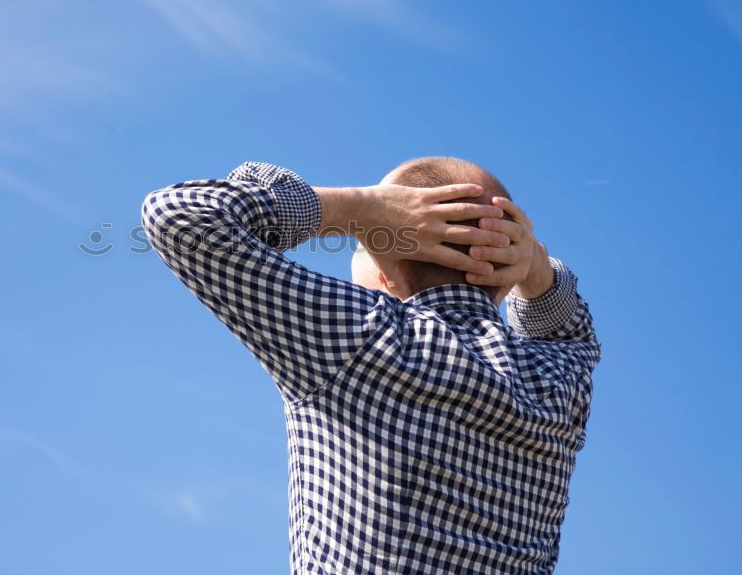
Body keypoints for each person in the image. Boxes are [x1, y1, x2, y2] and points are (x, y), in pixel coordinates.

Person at [141, 158, 600, 575]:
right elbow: (567, 326)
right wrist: (532, 265)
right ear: (503, 278)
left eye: (361, 246)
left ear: (387, 268)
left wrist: (363, 207)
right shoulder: (557, 382)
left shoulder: (362, 339)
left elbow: (180, 215)